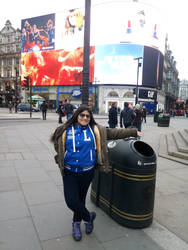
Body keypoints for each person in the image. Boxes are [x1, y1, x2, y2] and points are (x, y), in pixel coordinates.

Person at [50, 105, 143, 242]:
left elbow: (114, 133)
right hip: (70, 172)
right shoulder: (65, 129)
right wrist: (60, 158)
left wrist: (133, 132)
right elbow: (57, 144)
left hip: (87, 173)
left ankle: (76, 224)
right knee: (71, 201)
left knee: (80, 200)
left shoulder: (96, 130)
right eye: (82, 115)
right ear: (77, 116)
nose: (85, 118)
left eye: (88, 116)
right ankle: (88, 217)